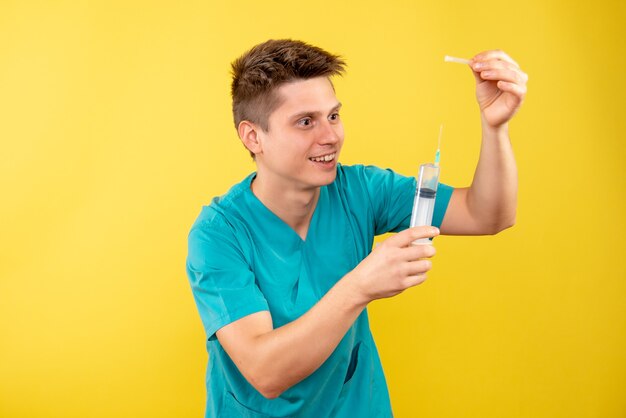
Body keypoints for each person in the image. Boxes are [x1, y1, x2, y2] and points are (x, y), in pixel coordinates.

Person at [186, 39, 527, 417]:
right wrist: (361, 285)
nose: (330, 136)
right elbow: (266, 371)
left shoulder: (360, 191)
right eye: (305, 122)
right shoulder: (219, 234)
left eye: (333, 116)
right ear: (253, 136)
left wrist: (495, 128)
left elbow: (488, 214)